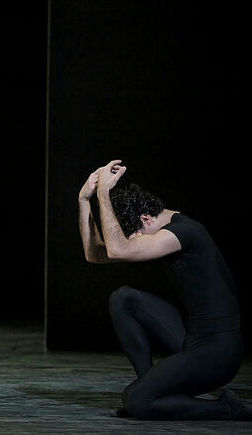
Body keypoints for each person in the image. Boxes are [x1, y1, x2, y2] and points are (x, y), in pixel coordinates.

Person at [78, 160, 251, 421]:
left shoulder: (184, 233)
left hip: (218, 352)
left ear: (145, 219)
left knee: (136, 402)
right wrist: (84, 199)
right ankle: (149, 386)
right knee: (124, 298)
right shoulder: (161, 228)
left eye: (133, 236)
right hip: (193, 338)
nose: (135, 244)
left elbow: (117, 249)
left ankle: (226, 408)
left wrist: (103, 191)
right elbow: (96, 255)